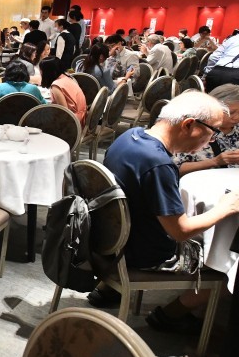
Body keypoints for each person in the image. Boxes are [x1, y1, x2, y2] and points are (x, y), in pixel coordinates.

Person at [90, 93, 239, 332]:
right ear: (188, 125)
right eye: (213, 131)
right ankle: (170, 314)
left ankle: (108, 288)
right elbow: (181, 231)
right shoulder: (158, 163)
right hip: (145, 255)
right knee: (228, 263)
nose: (214, 138)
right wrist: (226, 208)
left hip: (109, 241)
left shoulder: (129, 137)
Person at [174, 84, 239, 175]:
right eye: (231, 113)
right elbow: (175, 169)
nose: (237, 117)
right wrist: (215, 161)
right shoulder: (195, 130)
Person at [38, 57, 86, 123]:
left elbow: (63, 112)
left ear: (47, 72)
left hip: (73, 122)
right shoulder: (67, 77)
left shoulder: (56, 86)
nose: (40, 72)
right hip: (81, 116)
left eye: (41, 70)